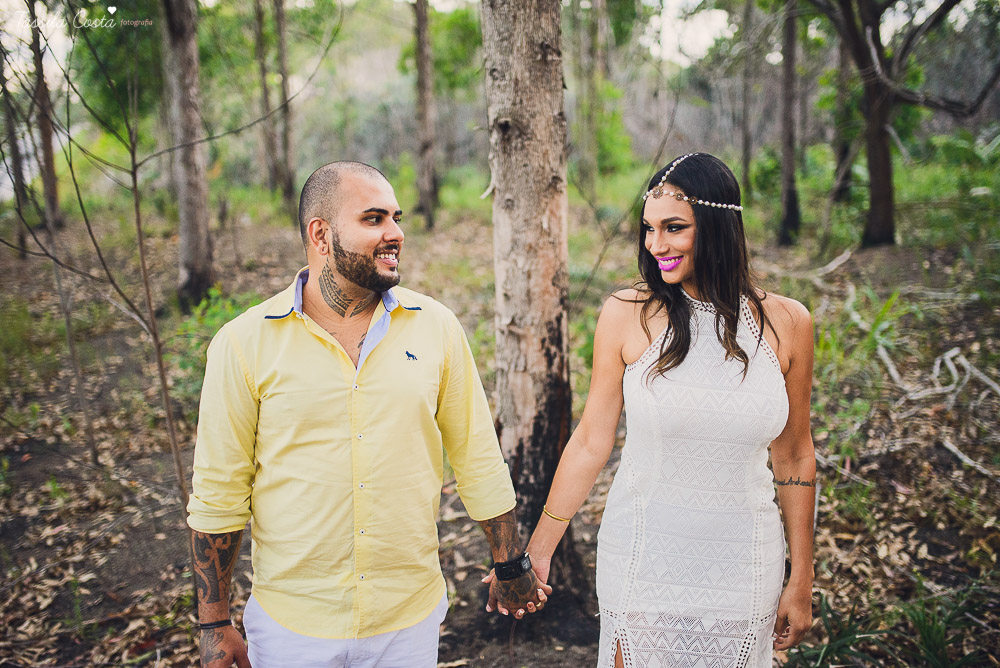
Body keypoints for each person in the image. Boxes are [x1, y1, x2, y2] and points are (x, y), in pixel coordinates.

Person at [186, 161, 549, 668]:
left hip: (408, 621)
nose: (395, 233)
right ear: (321, 234)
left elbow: (478, 459)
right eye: (374, 219)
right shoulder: (243, 345)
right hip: (295, 628)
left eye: (396, 218)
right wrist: (213, 623)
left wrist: (511, 564)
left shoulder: (436, 328)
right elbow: (219, 495)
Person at [523, 153, 816, 666]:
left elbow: (794, 456)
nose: (656, 245)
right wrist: (541, 547)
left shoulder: (788, 324)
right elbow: (592, 440)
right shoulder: (627, 314)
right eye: (648, 229)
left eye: (674, 228)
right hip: (644, 561)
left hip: (744, 565)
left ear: (720, 226)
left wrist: (802, 577)